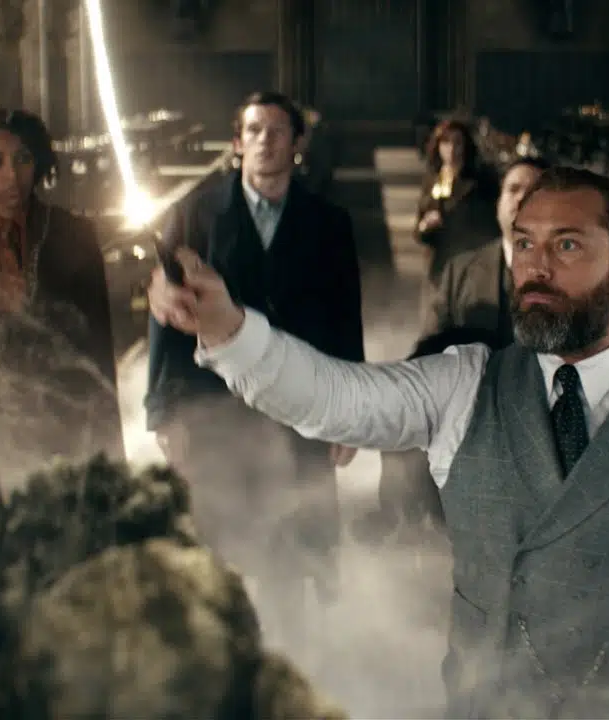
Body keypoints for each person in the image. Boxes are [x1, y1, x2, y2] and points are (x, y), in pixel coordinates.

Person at [149, 166, 609, 719]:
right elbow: (332, 399)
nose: (536, 266)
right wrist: (229, 330)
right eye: (525, 243)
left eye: (566, 244)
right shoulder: (464, 384)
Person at [143, 91, 364, 645]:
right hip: (215, 405)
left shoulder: (329, 223)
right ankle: (222, 655)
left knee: (292, 547)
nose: (265, 141)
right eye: (255, 130)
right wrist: (164, 411)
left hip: (299, 404)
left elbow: (344, 321)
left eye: (277, 131)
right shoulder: (193, 214)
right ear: (238, 143)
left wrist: (351, 413)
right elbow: (166, 322)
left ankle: (290, 659)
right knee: (221, 547)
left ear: (296, 145)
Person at [0, 108, 123, 512]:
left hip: (59, 442)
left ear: (39, 163)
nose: (11, 175)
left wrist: (110, 463)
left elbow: (99, 356)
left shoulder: (74, 237)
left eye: (23, 159)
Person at [371, 156, 552, 538]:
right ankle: (407, 524)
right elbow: (430, 351)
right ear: (499, 203)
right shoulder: (462, 269)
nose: (522, 199)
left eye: (534, 191)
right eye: (513, 189)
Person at [414, 118, 501, 286]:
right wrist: (425, 227)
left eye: (458, 143)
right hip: (439, 269)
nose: (452, 149)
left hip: (472, 266)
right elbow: (419, 228)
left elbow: (491, 225)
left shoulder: (481, 180)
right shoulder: (432, 179)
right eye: (446, 142)